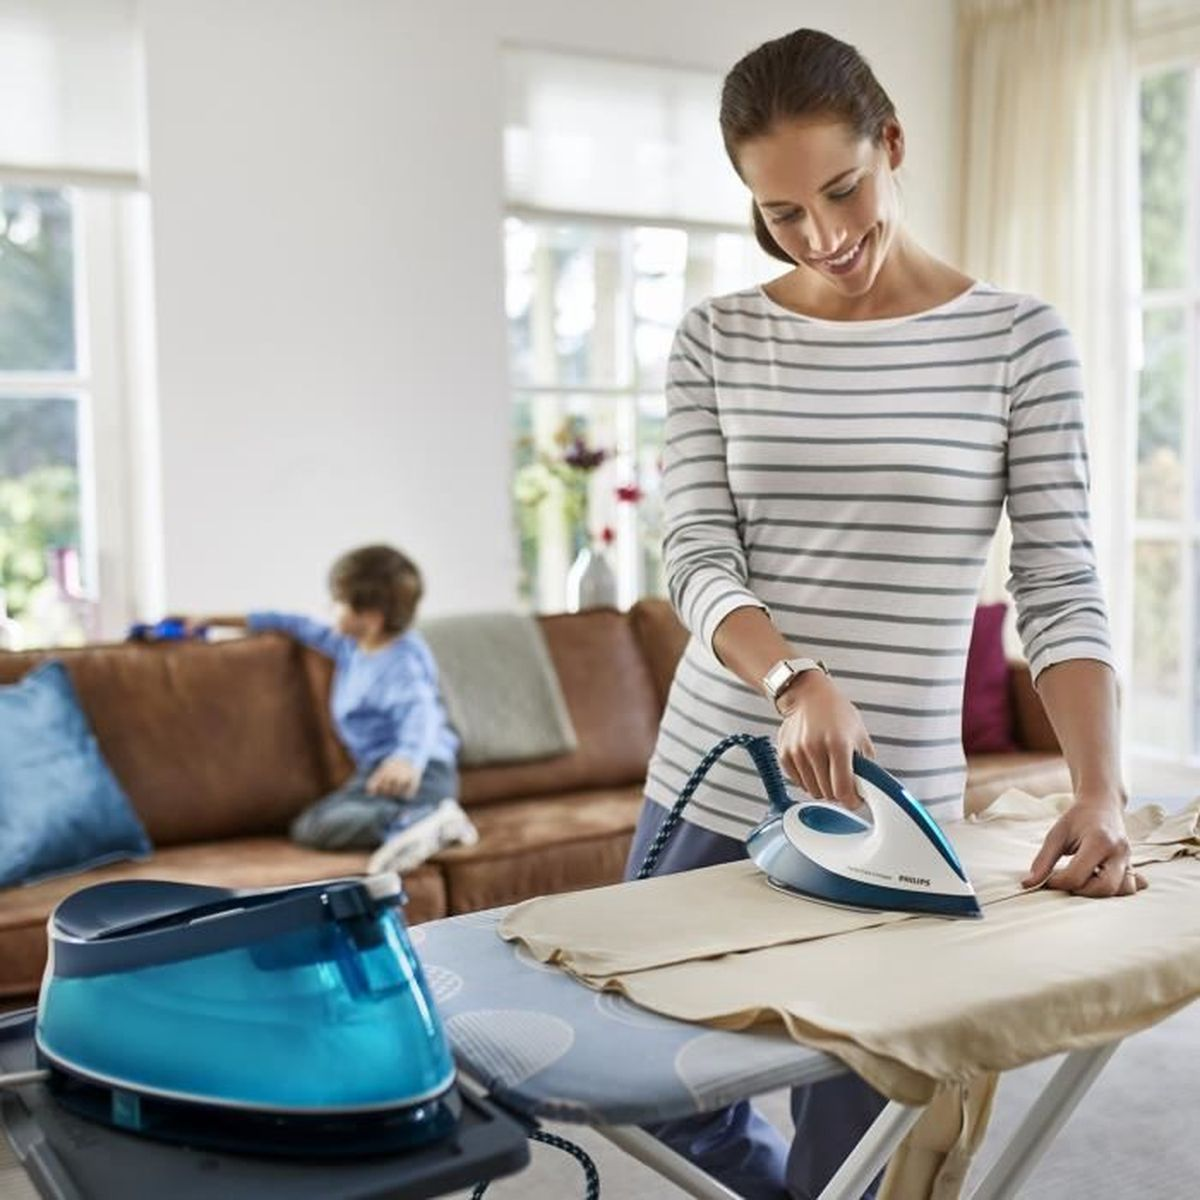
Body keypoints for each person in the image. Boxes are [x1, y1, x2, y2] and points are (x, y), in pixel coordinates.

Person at [624, 27, 1143, 1200]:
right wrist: (792, 677)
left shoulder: (1019, 340)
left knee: (855, 1145)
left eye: (842, 189)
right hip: (713, 777)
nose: (824, 235)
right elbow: (697, 555)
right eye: (783, 213)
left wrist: (1098, 790)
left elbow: (1059, 583)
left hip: (895, 807)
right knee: (659, 1096)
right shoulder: (718, 337)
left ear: (893, 142)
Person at [190, 543, 476, 873]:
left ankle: (421, 818)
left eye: (339, 602)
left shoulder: (401, 662)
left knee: (318, 828)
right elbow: (291, 622)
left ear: (370, 617)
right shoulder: (352, 645)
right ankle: (420, 824)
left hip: (420, 774)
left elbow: (422, 712)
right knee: (312, 825)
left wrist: (406, 759)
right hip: (377, 774)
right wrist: (210, 620)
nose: (331, 607)